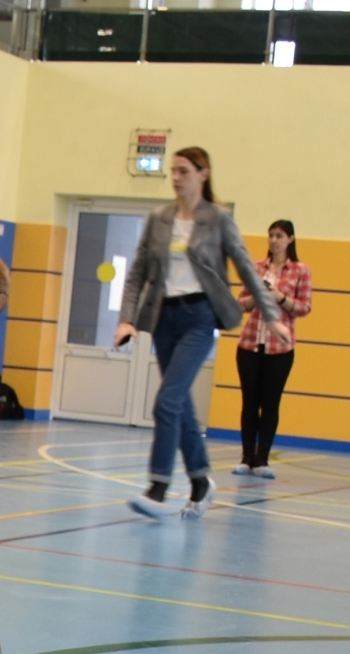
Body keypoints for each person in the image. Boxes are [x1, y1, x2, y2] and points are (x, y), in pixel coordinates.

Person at [113, 146, 279, 520]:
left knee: (167, 401)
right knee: (182, 404)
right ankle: (201, 480)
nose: (175, 177)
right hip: (163, 318)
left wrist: (271, 316)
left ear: (203, 174)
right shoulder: (159, 218)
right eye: (173, 170)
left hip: (200, 317)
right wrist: (126, 320)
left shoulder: (218, 219)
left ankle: (158, 487)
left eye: (184, 171)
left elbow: (246, 268)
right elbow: (138, 272)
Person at [231, 218, 311, 478]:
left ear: (290, 239)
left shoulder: (300, 270)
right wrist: (257, 297)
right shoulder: (256, 268)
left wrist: (281, 298)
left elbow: (304, 308)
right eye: (271, 235)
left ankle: (262, 459)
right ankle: (246, 457)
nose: (274, 240)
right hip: (251, 344)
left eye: (279, 236)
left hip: (280, 349)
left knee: (271, 404)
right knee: (249, 402)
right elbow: (241, 303)